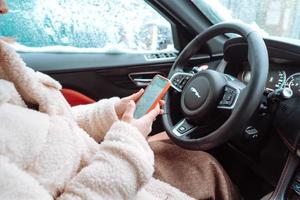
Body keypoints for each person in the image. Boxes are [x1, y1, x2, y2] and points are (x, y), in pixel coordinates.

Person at [0, 1, 238, 199]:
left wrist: (113, 111)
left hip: (91, 163)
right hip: (107, 181)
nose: (5, 9)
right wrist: (129, 140)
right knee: (208, 169)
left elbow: (51, 122)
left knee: (179, 148)